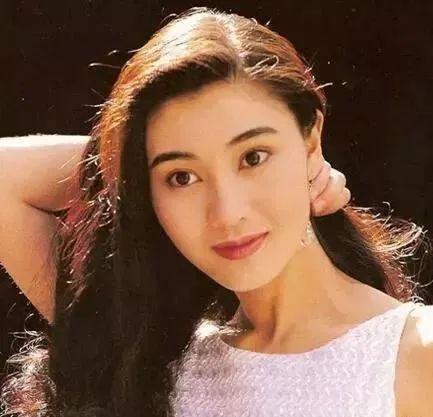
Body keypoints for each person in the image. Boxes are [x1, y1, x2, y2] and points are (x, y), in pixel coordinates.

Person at [0, 6, 432, 417]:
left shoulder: (415, 354)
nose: (227, 212)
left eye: (253, 157)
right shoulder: (150, 354)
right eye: (181, 177)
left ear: (311, 138)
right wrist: (125, 163)